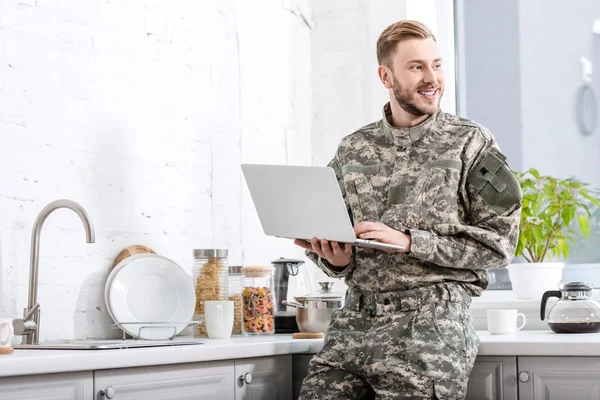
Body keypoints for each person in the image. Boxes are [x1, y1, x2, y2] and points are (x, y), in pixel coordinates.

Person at [293, 20, 522, 399]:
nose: (432, 78)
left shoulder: (470, 142)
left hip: (429, 328)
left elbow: (499, 245)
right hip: (353, 324)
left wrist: (410, 242)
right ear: (386, 75)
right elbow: (334, 236)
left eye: (437, 64)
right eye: (417, 67)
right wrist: (334, 259)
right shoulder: (353, 149)